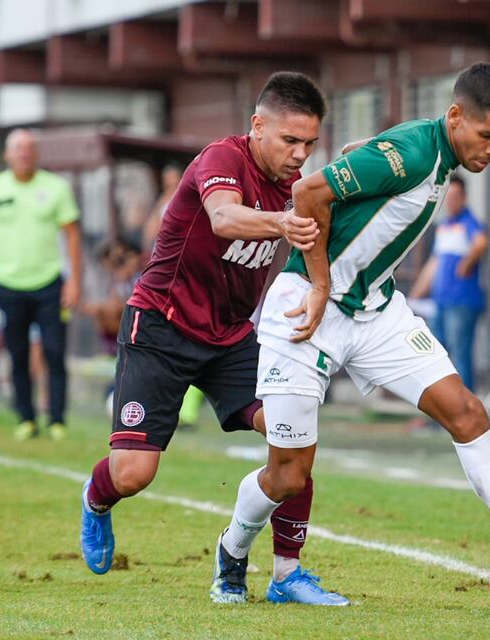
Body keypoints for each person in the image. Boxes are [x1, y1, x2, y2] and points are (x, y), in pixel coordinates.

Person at [217, 63, 490, 601]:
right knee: (288, 474)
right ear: (455, 117)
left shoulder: (433, 151)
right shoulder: (413, 152)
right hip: (307, 311)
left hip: (378, 313)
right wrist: (318, 285)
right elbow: (309, 195)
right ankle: (232, 554)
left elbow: (360, 162)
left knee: (468, 414)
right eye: (487, 135)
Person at [78, 72, 348, 607]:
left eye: (309, 144)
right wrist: (282, 222)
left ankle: (286, 572)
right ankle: (96, 500)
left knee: (291, 431)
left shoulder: (300, 189)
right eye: (289, 140)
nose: (300, 154)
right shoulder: (222, 159)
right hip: (160, 326)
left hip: (230, 336)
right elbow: (224, 219)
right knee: (134, 473)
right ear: (258, 126)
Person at [0, 129, 83, 441]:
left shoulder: (56, 187)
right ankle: (25, 417)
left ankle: (57, 418)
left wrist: (74, 282)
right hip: (8, 283)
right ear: (7, 155)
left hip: (49, 284)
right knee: (17, 353)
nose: (23, 153)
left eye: (29, 148)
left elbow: (72, 236)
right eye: (18, 148)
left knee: (54, 351)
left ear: (36, 154)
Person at [409, 174, 488, 390]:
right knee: (437, 357)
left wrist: (467, 263)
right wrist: (415, 295)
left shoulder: (468, 222)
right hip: (441, 302)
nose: (451, 201)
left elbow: (481, 242)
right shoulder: (445, 226)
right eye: (448, 196)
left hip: (461, 302)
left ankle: (465, 412)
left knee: (460, 355)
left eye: (456, 196)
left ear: (464, 198)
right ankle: (443, 413)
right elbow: (433, 264)